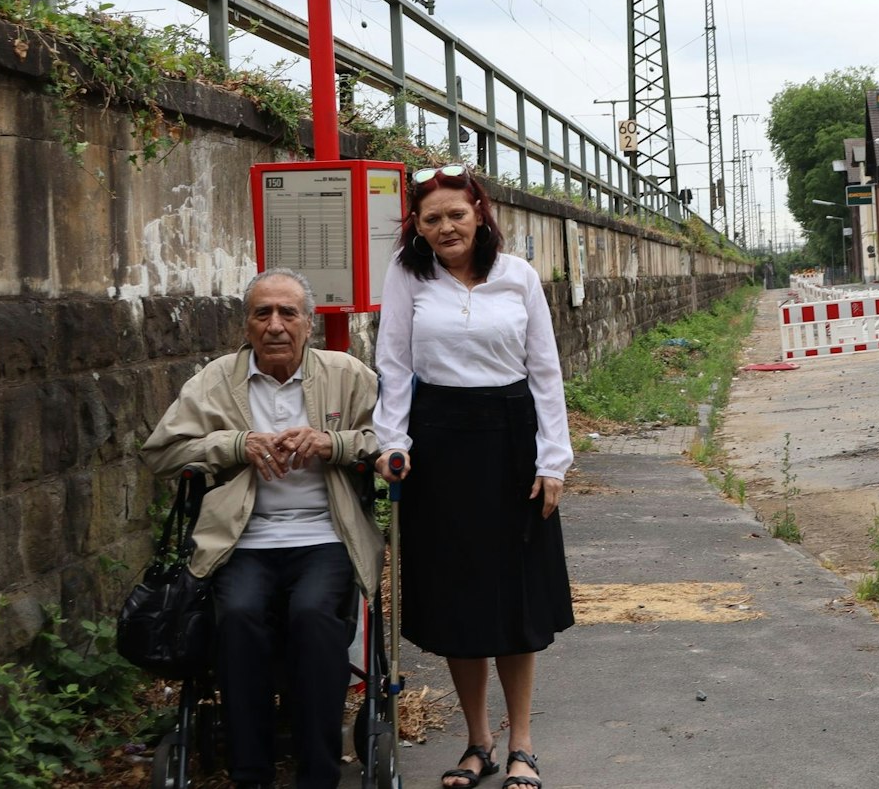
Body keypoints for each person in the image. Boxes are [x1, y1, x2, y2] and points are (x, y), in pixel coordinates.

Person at [143, 268, 382, 789]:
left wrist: (331, 443)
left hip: (324, 534)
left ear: (309, 323)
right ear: (246, 324)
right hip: (243, 538)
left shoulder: (348, 374)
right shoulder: (213, 381)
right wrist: (234, 445)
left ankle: (318, 775)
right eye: (262, 313)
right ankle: (250, 774)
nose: (275, 325)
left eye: (288, 313)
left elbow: (386, 442)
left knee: (315, 616)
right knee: (241, 616)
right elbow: (161, 453)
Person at [376, 164, 574, 789]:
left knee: (514, 598)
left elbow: (544, 371)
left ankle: (522, 744)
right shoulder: (408, 274)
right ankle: (477, 742)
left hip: (512, 440)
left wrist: (553, 460)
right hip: (440, 442)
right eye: (431, 218)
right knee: (460, 597)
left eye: (456, 214)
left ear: (480, 213)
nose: (445, 227)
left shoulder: (516, 277)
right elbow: (393, 364)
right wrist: (392, 442)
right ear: (418, 226)